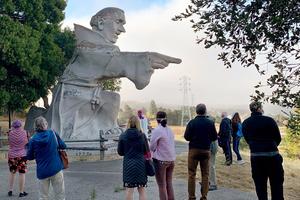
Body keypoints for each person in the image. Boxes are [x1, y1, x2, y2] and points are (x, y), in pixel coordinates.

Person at [25, 7, 181, 140]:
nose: (122, 30)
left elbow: (113, 60)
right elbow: (112, 62)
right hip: (71, 97)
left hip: (86, 93)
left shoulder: (100, 47)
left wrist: (144, 59)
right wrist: (146, 58)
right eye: (118, 22)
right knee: (112, 99)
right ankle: (101, 133)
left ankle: (106, 131)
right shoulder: (87, 47)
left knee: (113, 98)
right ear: (100, 23)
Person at [242, 102, 284, 200]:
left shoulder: (246, 123)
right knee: (277, 186)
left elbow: (248, 139)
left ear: (251, 109)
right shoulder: (270, 121)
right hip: (273, 156)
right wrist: (271, 147)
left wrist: (256, 147)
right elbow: (278, 138)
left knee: (260, 187)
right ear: (260, 109)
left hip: (257, 158)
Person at [27, 116, 67, 200]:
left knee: (43, 196)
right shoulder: (52, 133)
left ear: (35, 126)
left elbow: (29, 156)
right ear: (45, 124)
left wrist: (37, 153)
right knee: (60, 194)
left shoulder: (33, 140)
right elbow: (63, 145)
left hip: (42, 171)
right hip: (56, 168)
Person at [184, 104, 218, 200]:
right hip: (206, 150)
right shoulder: (210, 123)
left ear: (196, 111)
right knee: (205, 174)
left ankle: (191, 197)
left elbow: (186, 137)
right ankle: (204, 196)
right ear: (205, 111)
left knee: (191, 174)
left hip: (193, 150)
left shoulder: (191, 123)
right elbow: (214, 137)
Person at [117, 115, 148, 200]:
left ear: (128, 123)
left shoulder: (123, 136)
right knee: (141, 190)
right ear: (138, 124)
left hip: (128, 166)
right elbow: (146, 151)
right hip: (141, 166)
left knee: (129, 190)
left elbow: (120, 152)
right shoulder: (142, 136)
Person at [150, 111, 176, 200]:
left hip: (161, 161)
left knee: (162, 186)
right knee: (169, 183)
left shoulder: (157, 130)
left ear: (157, 120)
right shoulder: (170, 130)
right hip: (171, 160)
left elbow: (152, 147)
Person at [7, 120, 28, 197]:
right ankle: (21, 192)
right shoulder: (25, 132)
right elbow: (26, 143)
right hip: (22, 155)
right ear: (20, 125)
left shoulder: (10, 133)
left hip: (12, 156)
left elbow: (9, 142)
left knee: (12, 173)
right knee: (22, 174)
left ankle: (10, 190)